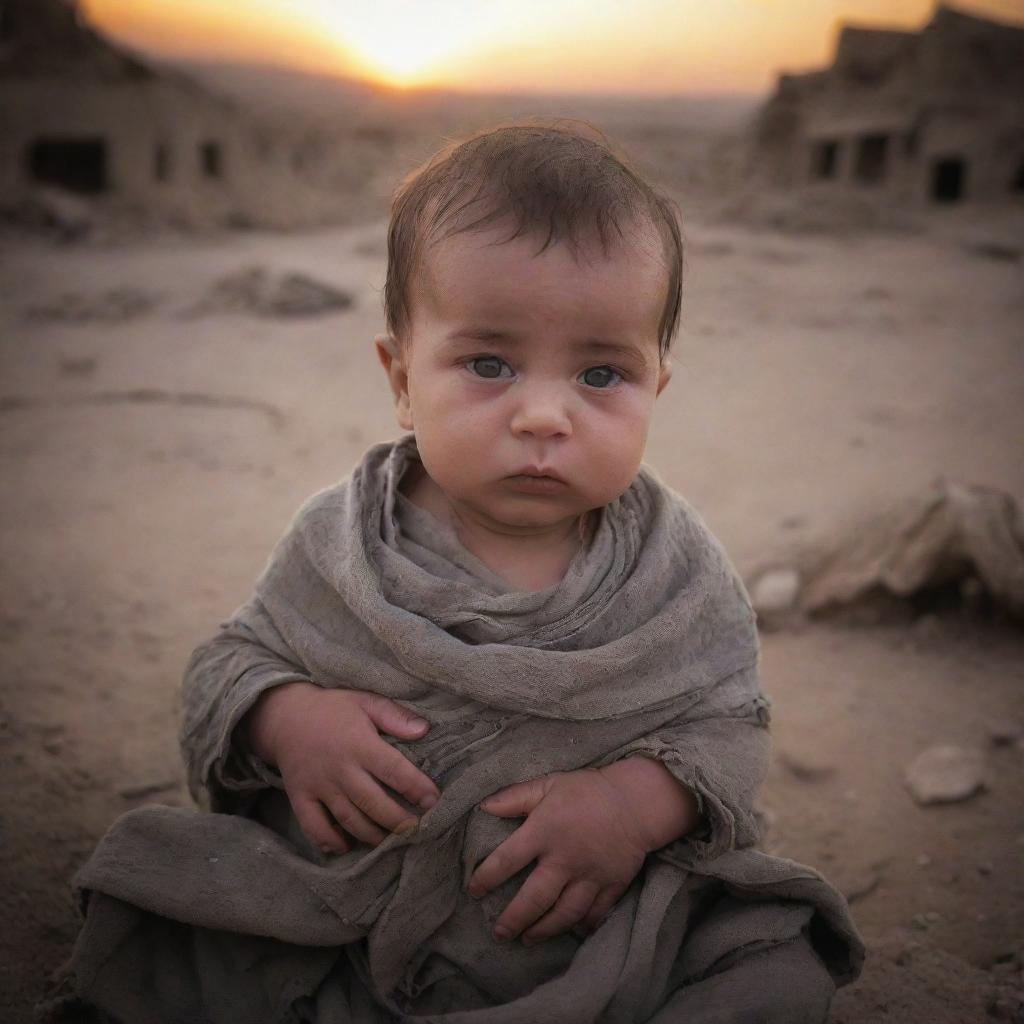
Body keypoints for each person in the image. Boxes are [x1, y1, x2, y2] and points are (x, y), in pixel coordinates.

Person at [64, 122, 864, 1023]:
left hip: (601, 926)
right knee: (165, 906)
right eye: (488, 364)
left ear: (657, 392)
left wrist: (634, 809)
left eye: (603, 373)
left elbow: (731, 724)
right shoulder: (342, 540)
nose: (544, 415)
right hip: (344, 901)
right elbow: (228, 664)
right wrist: (288, 720)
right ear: (401, 377)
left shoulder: (674, 571)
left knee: (773, 958)